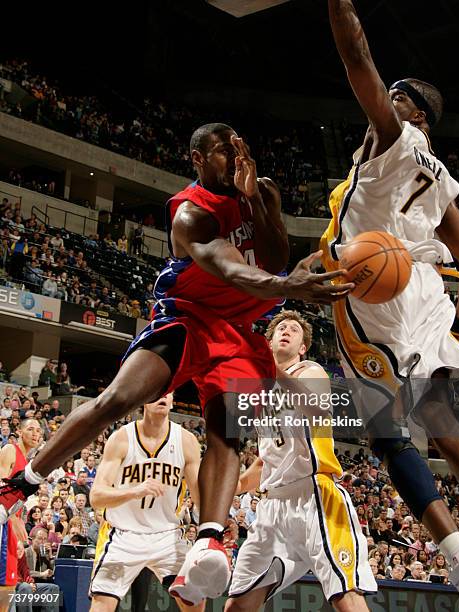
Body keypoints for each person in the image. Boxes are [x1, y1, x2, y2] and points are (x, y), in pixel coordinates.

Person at [0, 124, 353, 605]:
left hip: (238, 331)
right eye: (221, 151)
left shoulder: (261, 191)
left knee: (226, 431)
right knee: (118, 399)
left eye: (238, 146)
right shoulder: (190, 214)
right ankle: (20, 486)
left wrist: (257, 204)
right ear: (197, 160)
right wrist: (290, 287)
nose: (233, 156)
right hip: (188, 316)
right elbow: (232, 270)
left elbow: (272, 256)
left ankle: (208, 540)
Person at [320, 2, 459, 609]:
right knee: (447, 425)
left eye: (397, 96)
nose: (385, 100)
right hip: (430, 293)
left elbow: (356, 53)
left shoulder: (394, 138)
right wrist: (458, 318)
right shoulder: (440, 176)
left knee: (387, 435)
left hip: (378, 295)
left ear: (417, 116)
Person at [225, 311, 376, 611]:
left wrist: (272, 371)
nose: (287, 331)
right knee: (237, 607)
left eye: (294, 330)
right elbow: (265, 461)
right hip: (272, 508)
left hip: (314, 495)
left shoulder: (310, 371)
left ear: (302, 347)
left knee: (346, 599)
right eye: (280, 328)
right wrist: (230, 492)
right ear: (267, 344)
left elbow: (317, 411)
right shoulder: (262, 395)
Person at [88, 394, 203, 612]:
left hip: (167, 535)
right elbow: (96, 497)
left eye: (168, 392)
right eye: (157, 392)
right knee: (102, 605)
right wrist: (134, 491)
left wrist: (217, 526)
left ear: (173, 400)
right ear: (143, 399)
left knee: (195, 598)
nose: (163, 396)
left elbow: (199, 498)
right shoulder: (121, 438)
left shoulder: (186, 441)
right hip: (123, 535)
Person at [0, 419, 42, 588]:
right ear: (19, 432)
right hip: (4, 519)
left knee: (9, 584)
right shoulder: (10, 449)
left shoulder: (28, 463)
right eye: (30, 429)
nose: (35, 433)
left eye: (38, 431)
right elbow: (1, 490)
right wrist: (13, 522)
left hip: (12, 521)